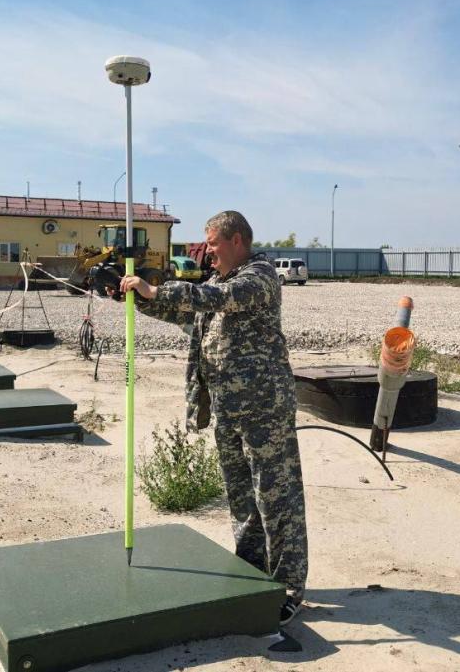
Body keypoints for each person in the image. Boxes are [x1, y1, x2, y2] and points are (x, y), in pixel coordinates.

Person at [119, 210, 308, 625]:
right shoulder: (216, 282)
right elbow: (190, 314)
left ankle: (289, 586)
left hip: (264, 411)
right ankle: (251, 571)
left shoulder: (258, 277)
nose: (207, 253)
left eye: (213, 245)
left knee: (277, 500)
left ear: (237, 240)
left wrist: (156, 289)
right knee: (242, 500)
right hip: (228, 409)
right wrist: (135, 299)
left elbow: (216, 300)